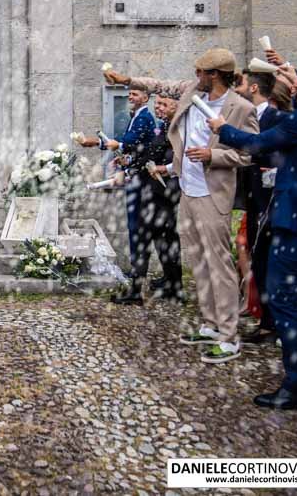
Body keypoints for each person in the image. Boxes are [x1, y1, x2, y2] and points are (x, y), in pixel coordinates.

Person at [209, 56, 297, 410]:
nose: (295, 84)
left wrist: (223, 128)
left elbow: (257, 143)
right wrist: (289, 76)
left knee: (285, 301)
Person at [104, 48, 258, 364]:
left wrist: (213, 155)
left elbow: (249, 152)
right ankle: (211, 324)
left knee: (219, 265)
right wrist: (127, 80)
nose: (195, 76)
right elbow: (161, 85)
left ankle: (229, 336)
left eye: (201, 72)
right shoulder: (192, 92)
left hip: (212, 194)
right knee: (199, 262)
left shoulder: (240, 108)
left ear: (215, 75)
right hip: (187, 191)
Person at [77, 88, 157, 304]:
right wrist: (126, 160)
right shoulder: (137, 116)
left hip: (142, 183)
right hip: (137, 179)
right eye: (130, 93)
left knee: (137, 231)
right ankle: (136, 278)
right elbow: (135, 147)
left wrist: (96, 143)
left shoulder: (144, 117)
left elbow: (128, 142)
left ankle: (136, 288)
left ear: (146, 98)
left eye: (135, 94)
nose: (130, 96)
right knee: (135, 230)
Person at [233, 71, 291, 345]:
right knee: (259, 260)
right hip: (253, 198)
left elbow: (279, 156)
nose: (237, 88)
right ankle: (266, 321)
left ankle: (276, 325)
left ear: (254, 87)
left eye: (242, 84)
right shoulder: (246, 116)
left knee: (271, 262)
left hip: (271, 200)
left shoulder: (277, 118)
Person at [127, 95, 185, 301]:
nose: (158, 107)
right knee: (165, 238)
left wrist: (164, 168)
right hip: (158, 189)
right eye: (157, 103)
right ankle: (174, 286)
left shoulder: (179, 129)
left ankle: (135, 291)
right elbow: (150, 153)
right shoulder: (164, 125)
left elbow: (182, 158)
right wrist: (130, 165)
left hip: (164, 190)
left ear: (176, 106)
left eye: (163, 104)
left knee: (144, 236)